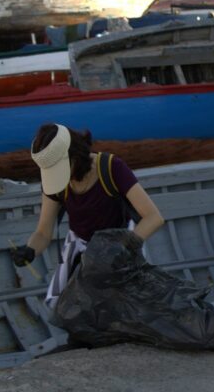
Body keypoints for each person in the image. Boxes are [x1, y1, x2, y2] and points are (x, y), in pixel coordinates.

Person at [11, 124, 165, 307]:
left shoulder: (111, 167)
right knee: (58, 305)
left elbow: (153, 218)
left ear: (75, 155)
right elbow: (43, 233)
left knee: (127, 304)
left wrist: (119, 249)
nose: (59, 178)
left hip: (121, 243)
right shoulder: (56, 184)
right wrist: (30, 250)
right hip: (80, 243)